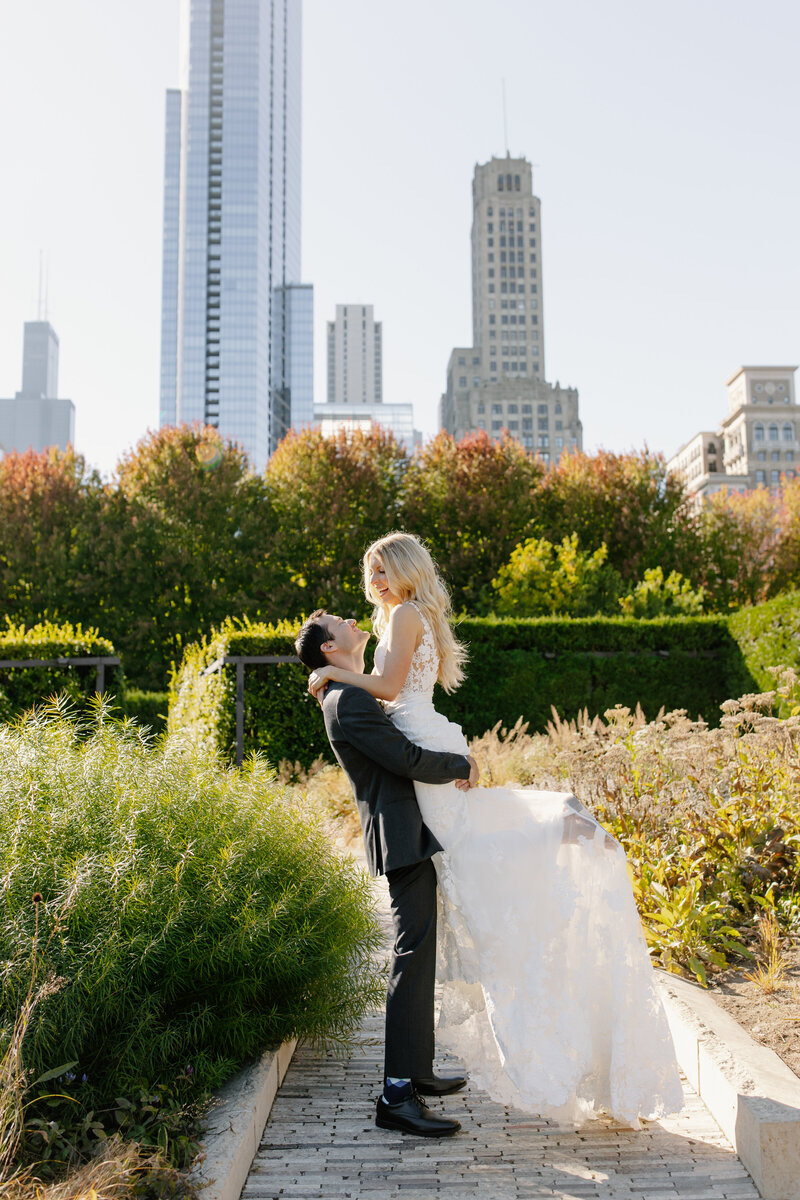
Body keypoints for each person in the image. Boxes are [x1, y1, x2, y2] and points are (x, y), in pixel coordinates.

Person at [303, 531, 684, 1128]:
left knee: (472, 866)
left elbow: (390, 694)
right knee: (457, 887)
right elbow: (392, 729)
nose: (372, 583)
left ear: (404, 570)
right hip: (417, 787)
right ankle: (401, 1090)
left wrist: (333, 677)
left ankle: (553, 829)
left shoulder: (397, 622)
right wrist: (339, 681)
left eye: (381, 569)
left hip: (424, 764)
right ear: (330, 647)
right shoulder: (385, 640)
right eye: (369, 571)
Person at [295, 611, 481, 1137]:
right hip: (400, 836)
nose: (352, 619)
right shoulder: (347, 699)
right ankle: (396, 1095)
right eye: (339, 623)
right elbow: (401, 758)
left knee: (419, 954)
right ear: (331, 650)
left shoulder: (348, 692)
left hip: (406, 832)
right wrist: (458, 765)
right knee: (411, 955)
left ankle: (416, 1071)